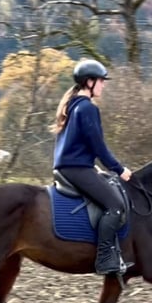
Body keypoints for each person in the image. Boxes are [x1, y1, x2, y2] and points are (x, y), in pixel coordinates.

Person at [52, 59, 132, 276]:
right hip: (76, 169)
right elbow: (98, 146)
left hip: (70, 167)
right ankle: (105, 258)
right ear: (89, 82)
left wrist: (93, 167)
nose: (103, 85)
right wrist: (119, 169)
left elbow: (77, 145)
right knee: (116, 206)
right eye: (101, 81)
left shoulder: (72, 105)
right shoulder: (87, 108)